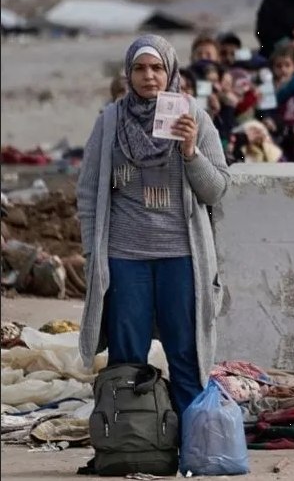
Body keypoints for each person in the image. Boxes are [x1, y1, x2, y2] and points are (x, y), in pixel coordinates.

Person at [76, 35, 230, 419]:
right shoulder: (110, 122)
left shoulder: (194, 118)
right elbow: (88, 193)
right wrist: (93, 256)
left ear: (171, 71)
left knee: (185, 352)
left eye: (157, 67)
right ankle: (130, 441)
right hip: (125, 257)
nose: (149, 76)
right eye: (140, 69)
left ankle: (194, 444)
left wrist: (191, 152)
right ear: (128, 75)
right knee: (127, 356)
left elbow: (216, 190)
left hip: (181, 256)